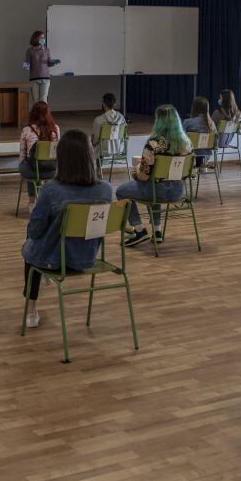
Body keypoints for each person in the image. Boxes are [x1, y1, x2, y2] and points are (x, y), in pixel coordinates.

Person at [21, 129, 112, 329]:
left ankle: (31, 311)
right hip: (88, 257)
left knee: (29, 248)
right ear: (90, 156)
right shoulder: (106, 190)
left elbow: (35, 230)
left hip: (54, 259)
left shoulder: (51, 190)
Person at [117, 104, 192, 247]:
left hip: (157, 190)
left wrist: (135, 171)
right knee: (154, 183)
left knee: (122, 191)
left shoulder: (153, 144)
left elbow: (144, 177)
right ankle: (157, 231)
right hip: (178, 191)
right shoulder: (187, 143)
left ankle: (139, 230)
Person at [19, 101, 60, 200]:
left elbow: (22, 154)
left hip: (33, 172)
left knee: (27, 166)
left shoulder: (27, 130)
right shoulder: (56, 129)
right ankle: (48, 201)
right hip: (52, 170)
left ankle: (32, 203)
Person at [91, 92, 127, 161]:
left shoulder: (98, 120)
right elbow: (125, 134)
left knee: (92, 144)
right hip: (118, 148)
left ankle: (97, 169)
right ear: (115, 104)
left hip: (103, 149)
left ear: (104, 104)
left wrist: (92, 142)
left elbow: (95, 140)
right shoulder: (121, 118)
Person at [24, 30, 56, 105]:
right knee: (36, 100)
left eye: (43, 37)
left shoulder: (46, 50)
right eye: (41, 37)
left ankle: (44, 116)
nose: (43, 39)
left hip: (45, 78)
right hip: (34, 78)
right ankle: (36, 116)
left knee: (43, 100)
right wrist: (26, 66)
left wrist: (54, 62)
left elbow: (49, 63)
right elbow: (27, 63)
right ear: (36, 38)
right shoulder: (30, 50)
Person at [182, 96, 214, 168]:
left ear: (194, 108)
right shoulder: (212, 124)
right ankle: (201, 163)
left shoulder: (188, 122)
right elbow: (216, 143)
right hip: (207, 155)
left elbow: (181, 138)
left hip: (190, 155)